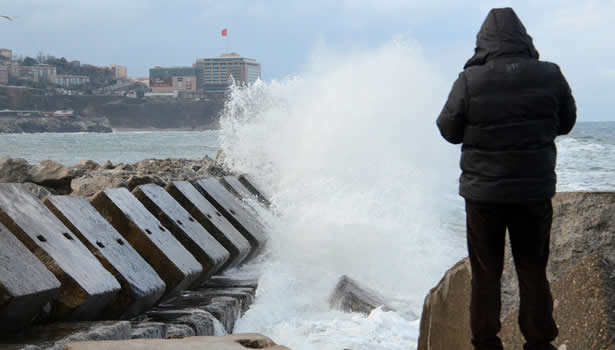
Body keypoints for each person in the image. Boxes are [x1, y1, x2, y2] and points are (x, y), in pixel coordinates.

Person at [436, 7, 576, 350]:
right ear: (523, 37)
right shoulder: (549, 74)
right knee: (532, 271)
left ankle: (486, 343)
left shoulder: (470, 81)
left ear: (483, 42)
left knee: (486, 275)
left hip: (484, 197)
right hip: (533, 192)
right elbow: (567, 122)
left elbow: (448, 129)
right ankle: (539, 341)